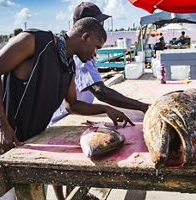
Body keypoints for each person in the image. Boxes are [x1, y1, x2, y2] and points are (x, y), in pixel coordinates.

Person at [0, 17, 134, 200]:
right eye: (96, 47)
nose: (95, 54)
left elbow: (73, 105)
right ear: (85, 37)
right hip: (5, 142)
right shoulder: (35, 41)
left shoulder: (69, 65)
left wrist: (107, 109)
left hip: (31, 145)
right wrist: (2, 125)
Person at [51, 2, 149, 199]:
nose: (101, 27)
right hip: (67, 116)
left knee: (72, 166)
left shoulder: (84, 50)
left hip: (82, 112)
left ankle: (74, 194)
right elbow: (100, 91)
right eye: (98, 23)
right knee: (61, 164)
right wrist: (140, 106)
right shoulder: (78, 55)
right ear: (84, 28)